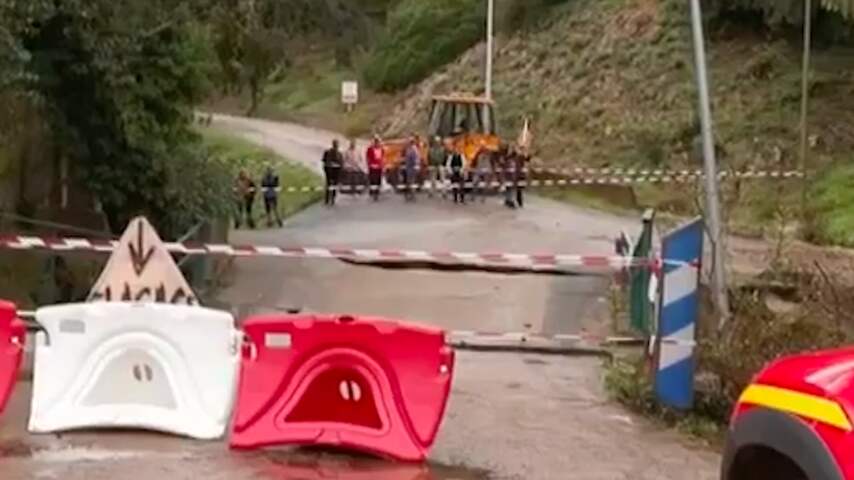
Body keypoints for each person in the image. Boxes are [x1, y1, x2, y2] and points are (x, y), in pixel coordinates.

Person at [322, 139, 343, 206]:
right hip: (329, 170)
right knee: (329, 184)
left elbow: (341, 163)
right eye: (335, 144)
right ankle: (327, 199)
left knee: (334, 185)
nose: (336, 146)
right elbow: (324, 161)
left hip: (336, 171)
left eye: (337, 144)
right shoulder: (328, 152)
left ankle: (333, 199)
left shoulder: (339, 154)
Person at [366, 135, 385, 201]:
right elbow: (368, 158)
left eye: (378, 142)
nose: (377, 143)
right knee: (373, 180)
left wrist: (382, 165)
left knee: (378, 180)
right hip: (372, 166)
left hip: (379, 166)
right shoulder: (370, 149)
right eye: (376, 142)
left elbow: (382, 158)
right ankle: (372, 192)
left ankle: (377, 193)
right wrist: (369, 164)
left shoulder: (381, 149)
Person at [403, 136, 420, 202]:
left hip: (412, 167)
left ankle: (412, 194)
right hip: (408, 167)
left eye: (409, 142)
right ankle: (409, 194)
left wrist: (416, 165)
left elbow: (416, 158)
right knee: (409, 181)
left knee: (411, 181)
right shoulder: (408, 149)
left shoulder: (414, 149)